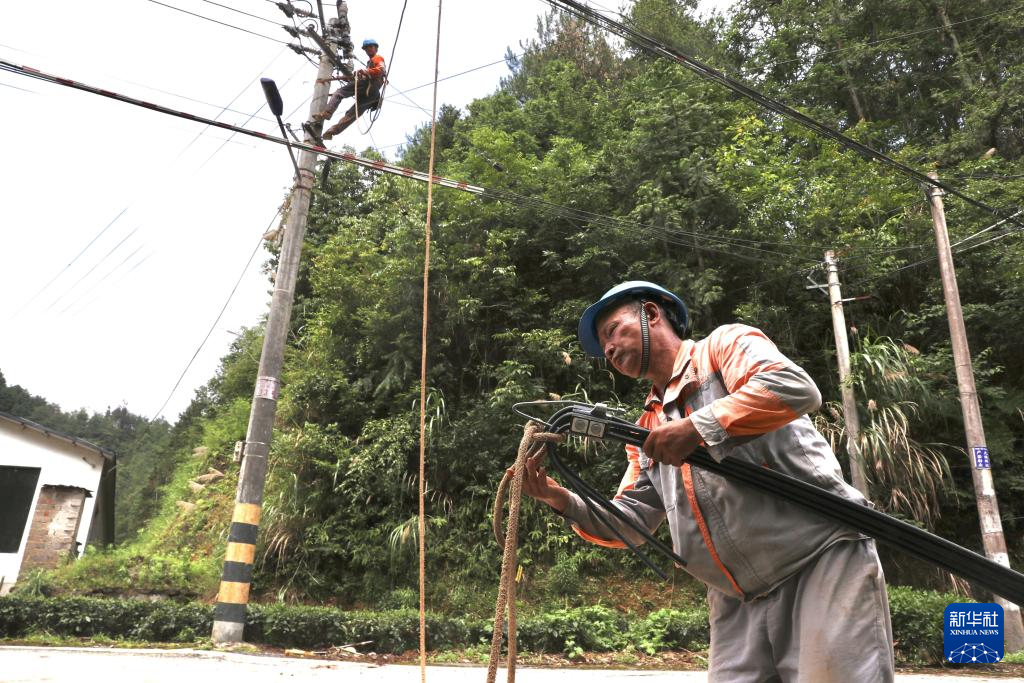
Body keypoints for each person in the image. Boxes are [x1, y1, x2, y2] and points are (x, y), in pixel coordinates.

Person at [519, 280, 895, 682]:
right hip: (736, 598)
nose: (608, 350)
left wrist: (697, 427)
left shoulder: (722, 348)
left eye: (611, 331)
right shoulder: (646, 430)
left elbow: (796, 387)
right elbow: (632, 521)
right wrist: (559, 498)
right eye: (602, 346)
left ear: (650, 314)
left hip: (820, 564)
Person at [313, 38, 386, 140]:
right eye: (366, 48)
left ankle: (327, 113)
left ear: (376, 48)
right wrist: (363, 73)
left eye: (370, 47)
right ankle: (332, 132)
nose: (368, 50)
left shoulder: (377, 58)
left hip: (368, 85)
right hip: (372, 95)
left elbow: (381, 70)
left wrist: (366, 72)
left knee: (339, 92)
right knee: (351, 115)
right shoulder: (371, 61)